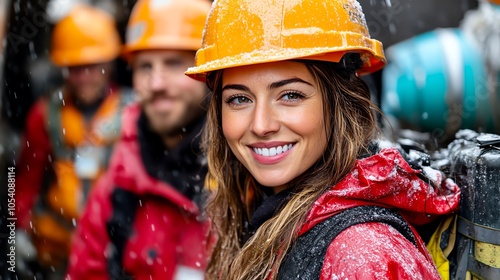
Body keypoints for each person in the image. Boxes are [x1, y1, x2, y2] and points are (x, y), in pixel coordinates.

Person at [185, 0, 462, 279]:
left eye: (290, 95)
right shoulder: (257, 212)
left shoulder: (364, 256)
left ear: (341, 103)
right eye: (239, 99)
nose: (261, 125)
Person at [66, 0, 212, 279]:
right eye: (145, 66)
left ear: (209, 70)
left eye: (173, 64)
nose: (156, 83)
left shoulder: (251, 174)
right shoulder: (115, 189)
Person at [14, 4, 130, 279]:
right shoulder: (46, 113)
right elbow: (26, 179)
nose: (83, 77)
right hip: (54, 249)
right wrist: (15, 230)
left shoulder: (131, 112)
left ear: (109, 63)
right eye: (75, 68)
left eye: (92, 67)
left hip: (114, 250)